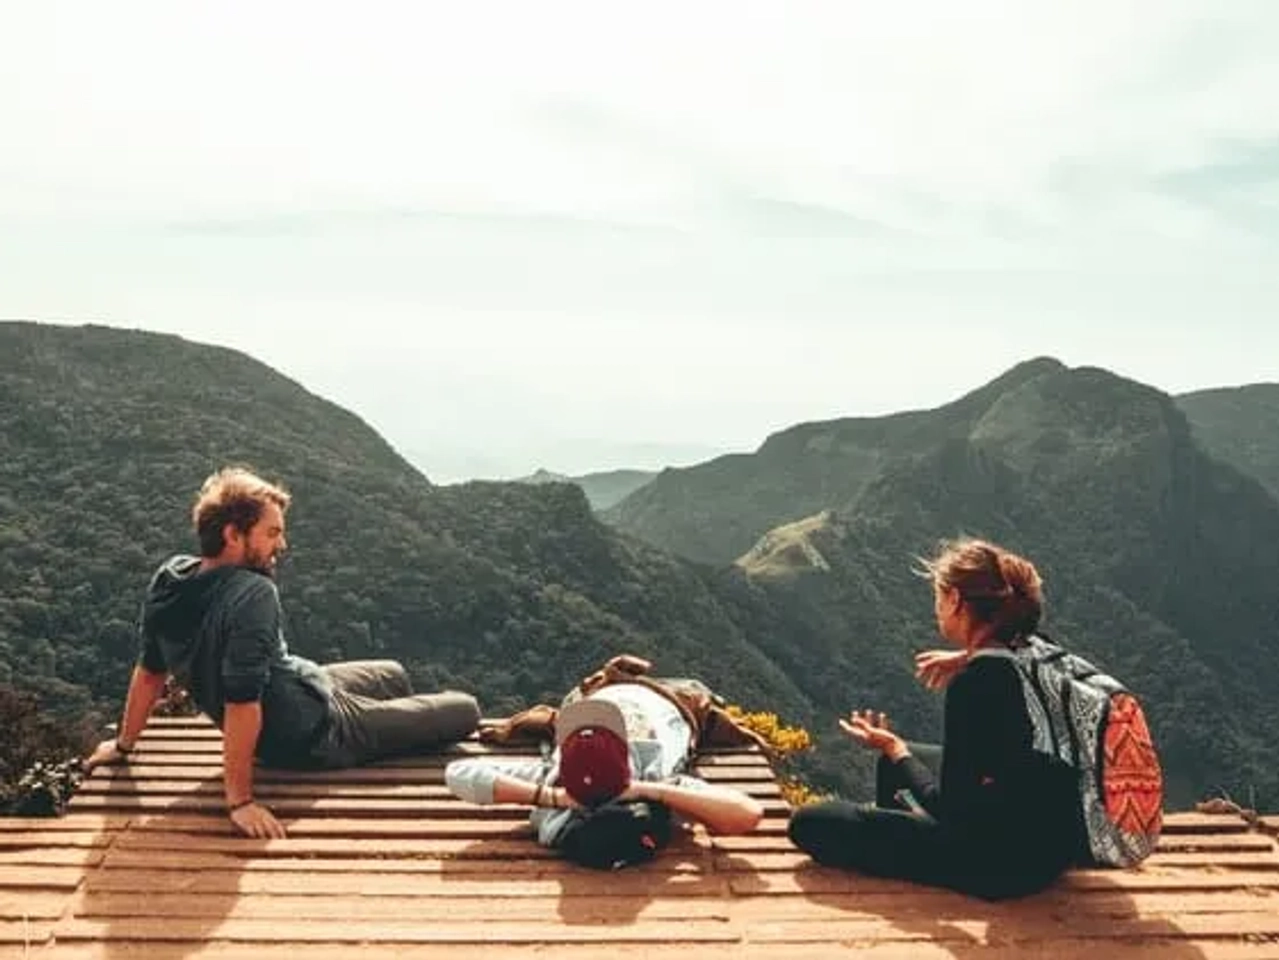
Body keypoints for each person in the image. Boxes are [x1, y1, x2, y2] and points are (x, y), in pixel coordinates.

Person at [84, 466, 481, 839]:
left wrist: (124, 745)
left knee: (393, 673)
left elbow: (151, 670)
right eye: (272, 533)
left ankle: (397, 721)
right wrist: (239, 801)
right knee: (466, 709)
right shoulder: (252, 594)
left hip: (304, 684)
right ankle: (391, 727)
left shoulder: (170, 578)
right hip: (312, 732)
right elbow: (242, 701)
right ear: (233, 535)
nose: (282, 544)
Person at [787, 538, 1089, 900]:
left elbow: (952, 811)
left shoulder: (974, 685)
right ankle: (907, 839)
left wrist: (896, 748)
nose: (937, 608)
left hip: (1001, 868)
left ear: (956, 601)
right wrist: (967, 654)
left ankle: (914, 855)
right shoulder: (1040, 657)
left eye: (940, 597)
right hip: (1053, 848)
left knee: (811, 822)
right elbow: (1015, 649)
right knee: (894, 764)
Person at [445, 657, 764, 864]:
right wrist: (647, 790)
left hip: (595, 695)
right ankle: (616, 677)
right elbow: (748, 814)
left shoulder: (554, 779)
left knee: (586, 693)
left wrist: (550, 796)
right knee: (695, 687)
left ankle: (610, 677)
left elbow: (457, 773)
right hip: (674, 700)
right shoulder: (654, 780)